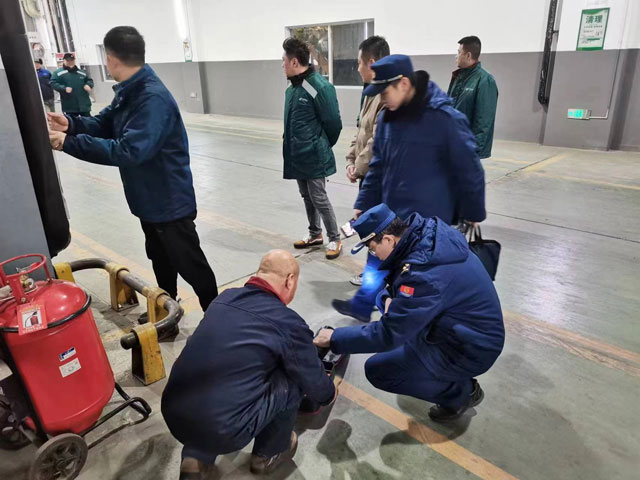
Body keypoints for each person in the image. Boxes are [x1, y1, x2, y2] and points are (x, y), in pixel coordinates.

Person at [48, 26, 218, 313]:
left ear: (111, 59)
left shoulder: (151, 98)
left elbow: (129, 150)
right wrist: (72, 125)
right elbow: (105, 123)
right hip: (148, 199)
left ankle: (218, 317)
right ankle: (166, 310)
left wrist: (69, 143)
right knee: (160, 258)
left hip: (169, 201)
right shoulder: (131, 89)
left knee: (191, 264)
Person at [332, 54, 485, 322]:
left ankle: (409, 321)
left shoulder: (443, 118)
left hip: (428, 219)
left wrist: (473, 211)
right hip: (393, 213)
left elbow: (469, 169)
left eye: (385, 92)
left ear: (403, 83)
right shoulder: (389, 119)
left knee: (415, 276)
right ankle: (363, 304)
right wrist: (364, 204)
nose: (382, 99)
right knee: (377, 257)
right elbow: (378, 165)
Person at [316, 204, 504, 422]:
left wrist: (335, 338)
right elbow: (398, 288)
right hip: (459, 327)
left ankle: (462, 393)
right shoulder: (424, 238)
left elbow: (388, 335)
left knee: (379, 371)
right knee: (386, 309)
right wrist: (387, 301)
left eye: (372, 249)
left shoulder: (424, 274)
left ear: (388, 239)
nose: (374, 255)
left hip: (471, 347)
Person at [162, 250, 336, 478]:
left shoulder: (224, 298)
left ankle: (196, 456)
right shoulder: (288, 322)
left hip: (172, 412)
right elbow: (311, 376)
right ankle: (270, 453)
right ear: (290, 280)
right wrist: (328, 393)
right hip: (223, 432)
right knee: (292, 376)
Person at [282, 37, 343, 260]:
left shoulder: (317, 86)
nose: (282, 64)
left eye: (284, 60)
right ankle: (315, 233)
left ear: (294, 62)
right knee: (306, 196)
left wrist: (320, 144)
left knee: (319, 197)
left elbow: (333, 123)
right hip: (297, 154)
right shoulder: (292, 89)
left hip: (313, 154)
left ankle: (334, 238)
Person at [344, 35, 390, 288]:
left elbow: (376, 141)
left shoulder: (387, 95)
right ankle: (376, 274)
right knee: (373, 225)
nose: (358, 67)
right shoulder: (371, 92)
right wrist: (351, 160)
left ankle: (377, 277)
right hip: (367, 173)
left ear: (371, 63)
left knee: (379, 228)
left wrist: (359, 168)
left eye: (359, 63)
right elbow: (361, 130)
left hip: (380, 177)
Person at [447, 36, 498, 159]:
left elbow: (483, 121)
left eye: (459, 52)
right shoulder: (458, 77)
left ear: (468, 55)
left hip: (467, 148)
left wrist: (473, 151)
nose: (456, 56)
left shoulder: (485, 80)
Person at [50, 53, 94, 117]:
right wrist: (64, 88)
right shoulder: (58, 73)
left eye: (72, 60)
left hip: (84, 105)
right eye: (68, 60)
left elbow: (89, 80)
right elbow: (53, 83)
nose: (70, 62)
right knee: (72, 122)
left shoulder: (81, 72)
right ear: (64, 61)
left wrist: (88, 85)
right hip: (69, 106)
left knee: (88, 121)